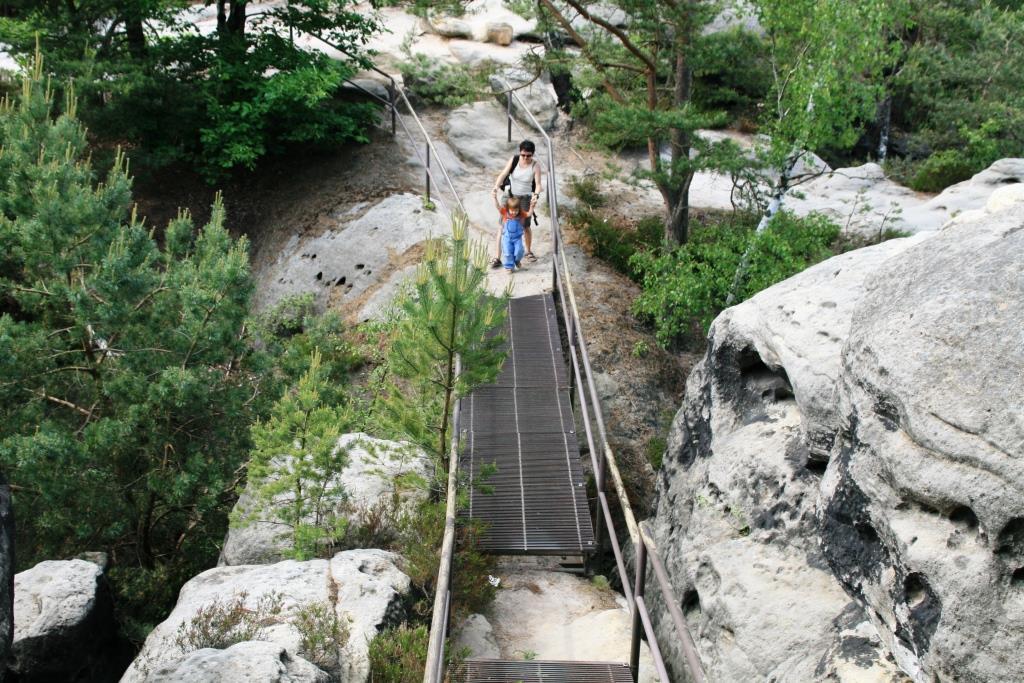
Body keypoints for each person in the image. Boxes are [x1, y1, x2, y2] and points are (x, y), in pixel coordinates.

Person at [490, 140, 542, 268]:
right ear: (520, 153)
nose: (525, 158)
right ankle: (497, 257)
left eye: (528, 155)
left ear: (532, 154)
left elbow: (538, 184)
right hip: (510, 196)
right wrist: (496, 186)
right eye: (523, 155)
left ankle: (528, 251)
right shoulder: (514, 160)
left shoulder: (535, 166)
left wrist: (535, 195)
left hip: (525, 198)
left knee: (525, 225)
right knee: (502, 225)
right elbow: (504, 173)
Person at [493, 194, 532, 275]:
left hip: (517, 239)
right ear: (508, 209)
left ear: (519, 209)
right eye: (512, 210)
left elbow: (529, 214)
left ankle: (517, 260)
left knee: (519, 251)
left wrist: (532, 205)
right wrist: (495, 198)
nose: (514, 212)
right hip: (507, 238)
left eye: (516, 210)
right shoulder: (505, 213)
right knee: (507, 252)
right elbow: (497, 206)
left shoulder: (521, 214)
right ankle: (509, 266)